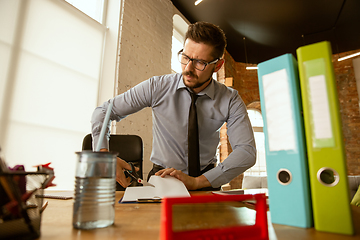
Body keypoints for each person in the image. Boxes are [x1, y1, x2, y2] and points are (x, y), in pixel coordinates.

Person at [91, 21, 256, 190]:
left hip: (205, 182)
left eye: (199, 62)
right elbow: (103, 112)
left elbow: (246, 152)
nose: (188, 69)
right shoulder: (157, 87)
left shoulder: (230, 99)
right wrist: (104, 156)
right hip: (162, 181)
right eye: (185, 57)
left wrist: (198, 182)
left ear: (217, 66)